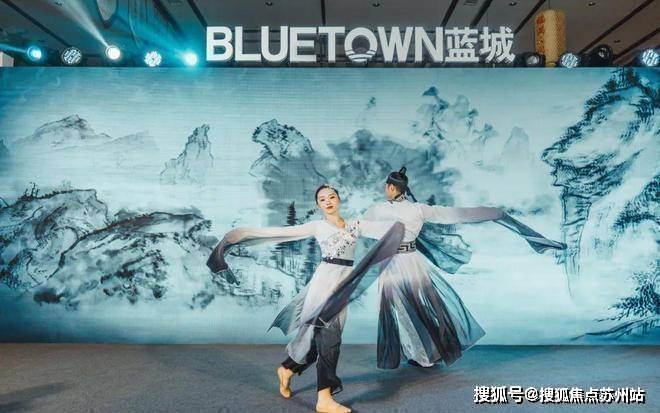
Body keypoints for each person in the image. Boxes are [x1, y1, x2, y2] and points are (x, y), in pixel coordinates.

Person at [307, 167, 567, 370]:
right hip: (413, 261)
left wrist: (330, 232)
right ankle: (425, 353)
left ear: (391, 188)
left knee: (404, 311)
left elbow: (355, 227)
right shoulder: (420, 209)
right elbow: (459, 214)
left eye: (387, 187)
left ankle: (425, 354)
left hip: (393, 264)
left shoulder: (377, 209)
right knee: (422, 307)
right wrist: (494, 213)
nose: (386, 190)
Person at [207, 184, 404, 413]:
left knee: (317, 341)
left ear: (339, 199)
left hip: (343, 287)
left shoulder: (355, 224)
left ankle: (287, 369)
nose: (328, 201)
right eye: (322, 199)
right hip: (323, 286)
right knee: (330, 339)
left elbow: (390, 229)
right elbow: (277, 233)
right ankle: (324, 399)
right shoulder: (317, 226)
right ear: (318, 205)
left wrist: (404, 219)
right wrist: (236, 236)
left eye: (332, 197)